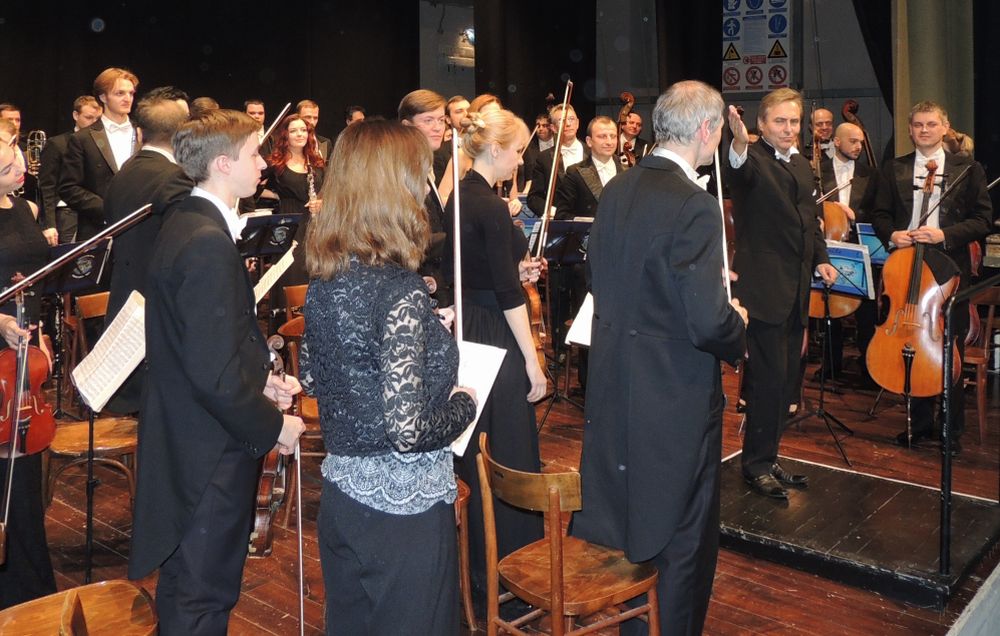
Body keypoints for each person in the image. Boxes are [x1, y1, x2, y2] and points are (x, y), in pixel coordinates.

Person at [572, 79, 748, 636]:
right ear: (705, 129)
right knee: (682, 541)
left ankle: (632, 624)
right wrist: (735, 320)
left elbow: (610, 279)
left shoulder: (618, 190)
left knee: (631, 521)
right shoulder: (695, 206)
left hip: (615, 384)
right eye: (719, 129)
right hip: (674, 395)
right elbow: (706, 324)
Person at [128, 109, 305, 634]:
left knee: (193, 589)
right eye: (255, 153)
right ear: (224, 164)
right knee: (203, 596)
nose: (263, 163)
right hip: (208, 451)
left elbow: (205, 344)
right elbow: (212, 374)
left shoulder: (189, 221)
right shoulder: (205, 240)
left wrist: (262, 378)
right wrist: (276, 424)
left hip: (191, 435)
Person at [301, 119, 477, 636]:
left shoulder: (326, 278)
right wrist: (464, 400)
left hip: (344, 498)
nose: (425, 189)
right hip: (405, 513)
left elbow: (315, 376)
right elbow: (407, 429)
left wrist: (422, 330)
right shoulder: (399, 290)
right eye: (420, 177)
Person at [445, 108, 547, 609]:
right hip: (497, 337)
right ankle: (513, 584)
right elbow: (507, 295)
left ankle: (483, 581)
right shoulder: (488, 206)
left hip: (468, 332)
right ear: (494, 149)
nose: (521, 159)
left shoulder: (460, 196)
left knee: (474, 454)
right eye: (518, 149)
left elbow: (483, 272)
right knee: (508, 455)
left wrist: (516, 266)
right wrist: (532, 360)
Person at [726, 87, 838, 499]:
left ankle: (769, 457)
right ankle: (754, 464)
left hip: (796, 288)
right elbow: (736, 168)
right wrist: (738, 141)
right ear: (761, 124)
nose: (788, 129)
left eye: (794, 122)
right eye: (780, 121)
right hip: (764, 290)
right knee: (768, 381)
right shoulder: (750, 159)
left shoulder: (804, 166)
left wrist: (821, 258)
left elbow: (811, 220)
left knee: (787, 381)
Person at [871, 100, 992, 454]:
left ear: (945, 127)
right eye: (918, 125)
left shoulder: (967, 169)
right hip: (906, 262)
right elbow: (878, 214)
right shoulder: (894, 168)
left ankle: (950, 432)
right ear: (910, 130)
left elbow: (983, 219)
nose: (924, 130)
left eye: (931, 124)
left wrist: (945, 234)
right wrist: (893, 234)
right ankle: (919, 425)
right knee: (911, 342)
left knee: (946, 347)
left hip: (947, 265)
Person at [103, 87, 193, 414]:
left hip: (127, 308)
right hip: (159, 319)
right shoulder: (177, 180)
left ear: (140, 132)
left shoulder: (124, 173)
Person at [0, 139, 57, 611]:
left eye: (15, 159)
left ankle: (29, 584)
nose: (18, 171)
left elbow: (33, 279)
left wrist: (40, 335)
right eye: (5, 168)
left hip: (24, 349)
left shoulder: (21, 206)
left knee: (23, 470)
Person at [816, 122, 885, 383]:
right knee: (829, 308)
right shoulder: (818, 172)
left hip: (860, 246)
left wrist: (856, 215)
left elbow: (880, 211)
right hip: (829, 245)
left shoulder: (871, 174)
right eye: (853, 141)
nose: (858, 146)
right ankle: (830, 366)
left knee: (866, 312)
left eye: (860, 141)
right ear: (836, 141)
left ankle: (868, 369)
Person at [59, 67, 139, 241]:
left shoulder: (144, 134)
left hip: (140, 229)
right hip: (98, 230)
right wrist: (107, 210)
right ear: (103, 97)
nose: (127, 99)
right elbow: (68, 188)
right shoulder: (82, 138)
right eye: (120, 93)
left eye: (131, 93)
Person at [399, 89, 450, 301]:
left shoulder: (426, 165)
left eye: (441, 119)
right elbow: (409, 236)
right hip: (417, 284)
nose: (438, 127)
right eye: (428, 120)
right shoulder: (404, 169)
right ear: (407, 126)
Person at [37, 95, 103, 244]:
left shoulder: (102, 145)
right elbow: (47, 186)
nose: (93, 123)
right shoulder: (57, 144)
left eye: (97, 119)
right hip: (68, 214)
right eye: (88, 117)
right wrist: (49, 224)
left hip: (95, 213)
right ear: (75, 115)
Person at [526, 103, 587, 216]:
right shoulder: (544, 158)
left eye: (571, 119)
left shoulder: (592, 152)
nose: (568, 124)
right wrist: (553, 211)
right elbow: (534, 198)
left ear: (578, 123)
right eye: (561, 120)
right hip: (558, 221)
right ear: (553, 128)